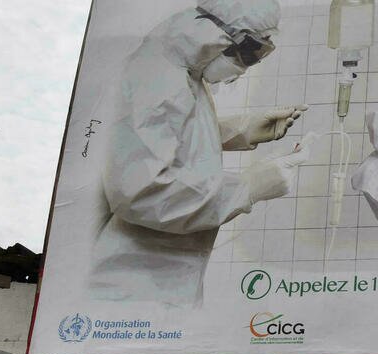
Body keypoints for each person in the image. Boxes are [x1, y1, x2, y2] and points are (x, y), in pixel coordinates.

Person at [88, 0, 308, 307]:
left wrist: (239, 130)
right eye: (246, 52)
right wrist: (247, 187)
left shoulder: (180, 67)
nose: (245, 66)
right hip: (133, 289)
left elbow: (163, 134)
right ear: (213, 35)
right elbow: (138, 193)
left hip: (162, 279)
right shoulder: (156, 74)